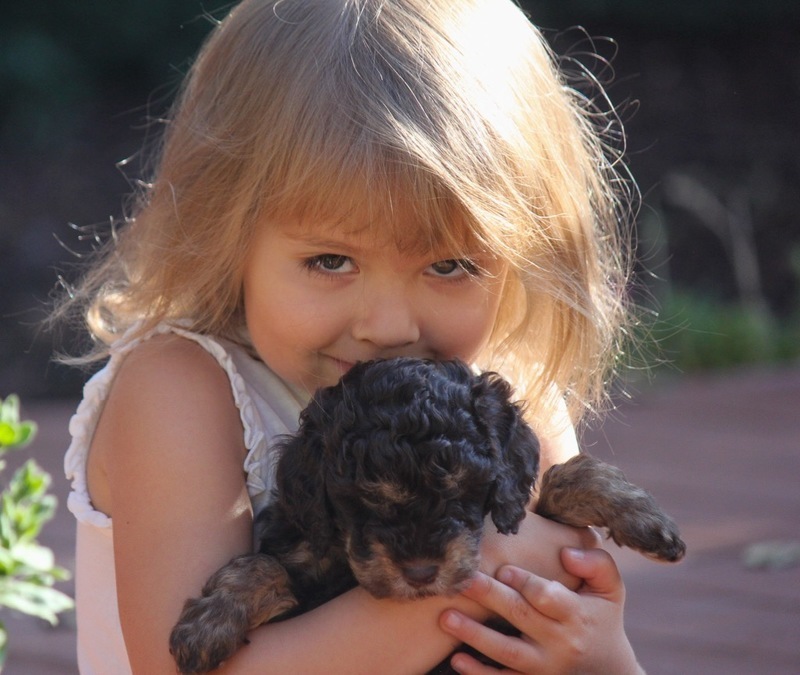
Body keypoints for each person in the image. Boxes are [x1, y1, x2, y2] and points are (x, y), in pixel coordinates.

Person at [58, 0, 643, 672]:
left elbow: (575, 615)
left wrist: (602, 655)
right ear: (225, 232)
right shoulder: (181, 390)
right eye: (331, 260)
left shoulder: (501, 392)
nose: (389, 327)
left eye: (448, 265)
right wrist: (501, 561)